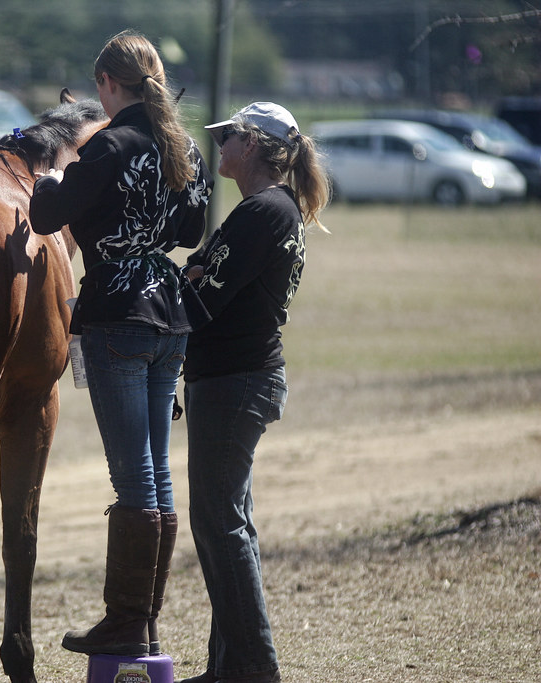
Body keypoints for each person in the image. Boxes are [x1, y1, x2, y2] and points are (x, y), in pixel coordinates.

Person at [29, 29, 212, 657]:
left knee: (133, 475)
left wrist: (53, 175)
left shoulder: (109, 144)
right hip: (169, 312)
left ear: (109, 84)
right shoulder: (183, 146)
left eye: (99, 88)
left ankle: (127, 620)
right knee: (157, 473)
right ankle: (145, 619)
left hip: (117, 313)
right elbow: (191, 229)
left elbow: (47, 217)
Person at [175, 102, 330, 683]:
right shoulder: (269, 209)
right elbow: (208, 283)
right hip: (236, 379)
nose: (219, 147)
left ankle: (254, 670)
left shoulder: (263, 211)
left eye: (227, 138)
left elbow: (202, 300)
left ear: (254, 145)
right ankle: (228, 668)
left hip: (235, 380)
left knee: (220, 522)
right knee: (227, 519)